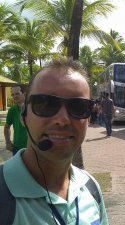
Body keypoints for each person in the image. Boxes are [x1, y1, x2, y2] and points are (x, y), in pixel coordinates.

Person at [0, 58, 109, 224]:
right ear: (24, 117)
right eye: (45, 104)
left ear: (88, 119)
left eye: (78, 106)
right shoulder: (3, 192)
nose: (63, 120)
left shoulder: (90, 187)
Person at [4, 85, 28, 155]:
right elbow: (7, 127)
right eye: (12, 94)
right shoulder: (12, 110)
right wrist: (8, 142)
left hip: (34, 147)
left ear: (24, 94)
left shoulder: (33, 108)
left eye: (17, 93)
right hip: (17, 148)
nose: (14, 96)